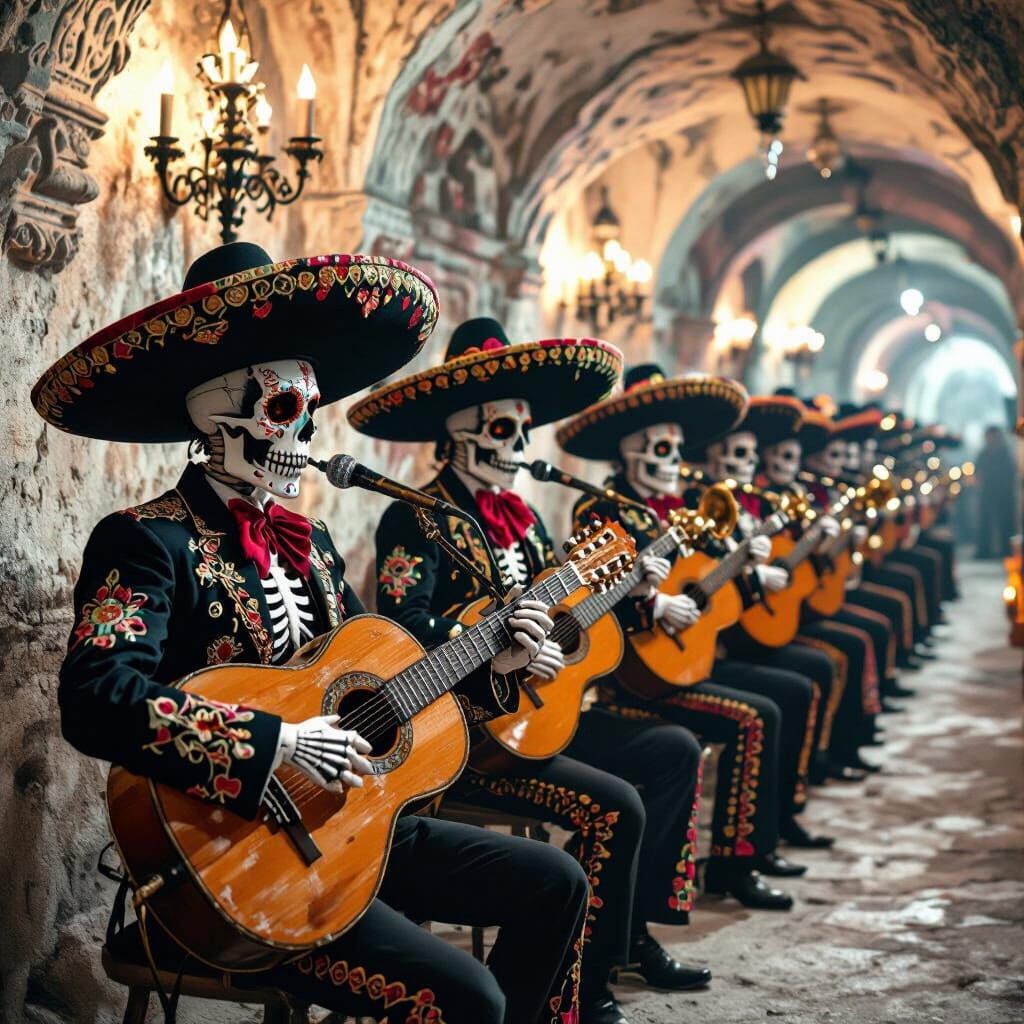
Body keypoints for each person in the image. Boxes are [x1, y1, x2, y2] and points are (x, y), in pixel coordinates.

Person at [33, 243, 591, 1024]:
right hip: (240, 853)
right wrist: (275, 743)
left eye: (311, 409)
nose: (306, 433)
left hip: (353, 822)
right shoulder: (147, 539)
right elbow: (95, 699)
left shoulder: (317, 545)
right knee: (469, 996)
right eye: (284, 409)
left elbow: (382, 673)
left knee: (556, 881)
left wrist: (487, 661)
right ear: (214, 416)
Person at [350, 319, 711, 1024]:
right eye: (503, 431)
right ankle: (582, 988)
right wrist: (491, 647)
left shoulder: (523, 519)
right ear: (459, 434)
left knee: (670, 748)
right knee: (616, 806)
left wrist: (628, 587)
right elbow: (402, 635)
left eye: (523, 431)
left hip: (543, 711)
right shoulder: (418, 523)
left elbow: (569, 602)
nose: (519, 448)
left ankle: (627, 937)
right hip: (474, 729)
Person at [558, 365, 802, 910]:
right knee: (749, 719)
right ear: (630, 453)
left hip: (683, 663)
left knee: (769, 706)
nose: (675, 461)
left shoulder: (682, 511)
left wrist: (748, 561)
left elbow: (715, 583)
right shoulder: (600, 509)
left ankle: (742, 857)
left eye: (677, 448)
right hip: (628, 677)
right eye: (663, 449)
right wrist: (650, 607)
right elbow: (585, 598)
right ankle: (723, 869)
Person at [974, 425, 1016, 559]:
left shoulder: (1005, 453)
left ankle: (1007, 550)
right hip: (987, 492)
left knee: (1006, 523)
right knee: (985, 522)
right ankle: (984, 550)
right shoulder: (984, 453)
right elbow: (977, 470)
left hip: (1004, 493)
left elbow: (1010, 471)